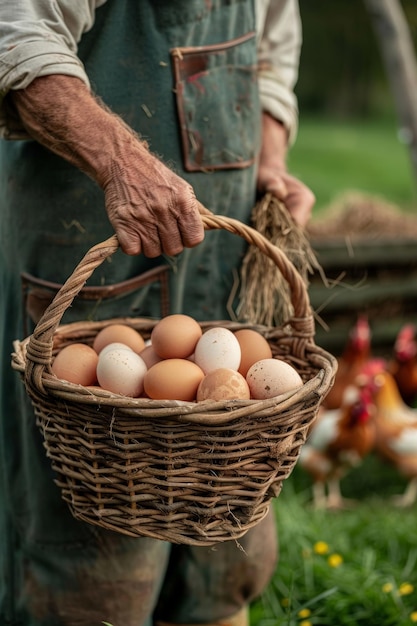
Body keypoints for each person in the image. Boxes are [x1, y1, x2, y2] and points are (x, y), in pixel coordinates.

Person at [0, 2, 315, 625]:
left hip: (223, 253)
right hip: (89, 239)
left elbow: (272, 48)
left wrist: (270, 162)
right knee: (90, 568)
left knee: (224, 549)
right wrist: (121, 162)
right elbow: (16, 31)